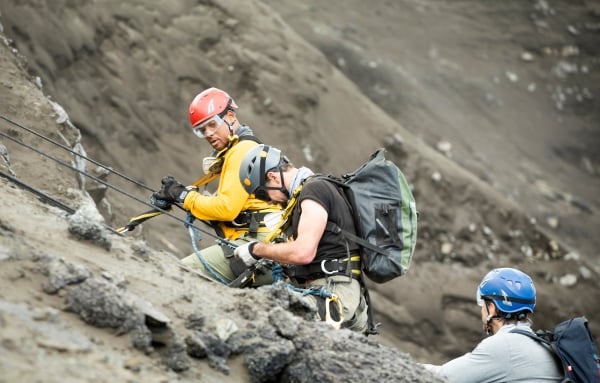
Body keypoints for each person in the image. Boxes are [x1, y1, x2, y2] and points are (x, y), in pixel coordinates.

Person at [149, 87, 281, 284]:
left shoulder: (241, 151)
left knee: (177, 274)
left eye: (212, 124)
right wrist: (186, 197)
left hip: (257, 244)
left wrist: (182, 196)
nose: (208, 134)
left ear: (229, 116)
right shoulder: (245, 148)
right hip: (268, 243)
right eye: (201, 130)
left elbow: (226, 209)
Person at [233, 144, 369, 333]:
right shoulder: (312, 190)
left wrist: (256, 249)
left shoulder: (314, 190)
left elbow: (303, 252)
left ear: (272, 177)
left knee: (264, 320)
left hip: (333, 290)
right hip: (333, 288)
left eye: (263, 194)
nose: (269, 202)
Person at [421, 267, 563, 382]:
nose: (481, 310)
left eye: (483, 304)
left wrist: (401, 361)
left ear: (492, 308)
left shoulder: (504, 347)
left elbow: (442, 378)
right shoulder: (542, 344)